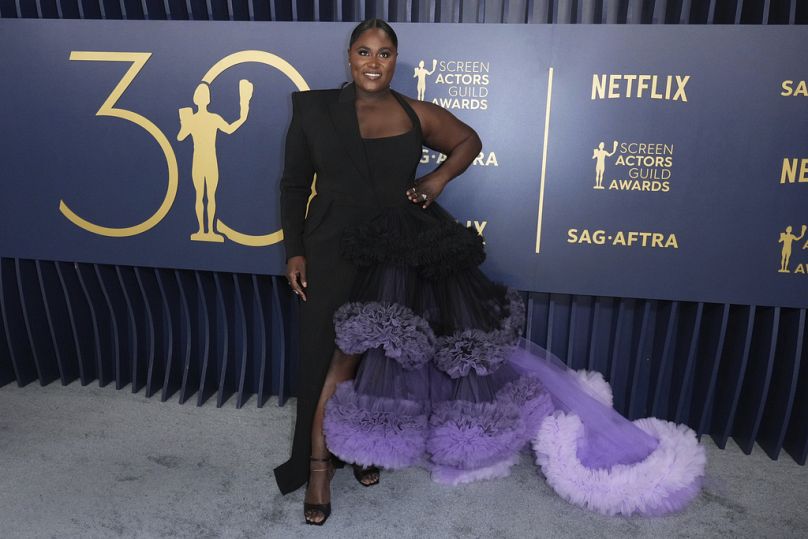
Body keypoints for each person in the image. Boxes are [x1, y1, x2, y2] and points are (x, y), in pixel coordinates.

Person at [275, 19, 706, 526]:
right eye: (364, 52)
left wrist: (435, 179)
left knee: (380, 358)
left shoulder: (415, 112)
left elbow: (468, 141)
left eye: (385, 53)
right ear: (349, 56)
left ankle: (363, 449)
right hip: (330, 246)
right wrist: (294, 250)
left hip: (397, 247)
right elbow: (292, 184)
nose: (374, 63)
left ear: (395, 59)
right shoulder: (313, 109)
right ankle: (320, 464)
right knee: (331, 358)